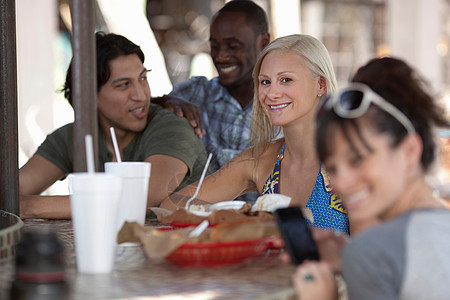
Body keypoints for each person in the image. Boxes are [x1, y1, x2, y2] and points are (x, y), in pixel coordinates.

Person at [293, 57, 450, 300]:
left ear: (410, 151)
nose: (339, 183)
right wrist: (350, 260)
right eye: (332, 168)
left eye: (357, 160)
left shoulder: (370, 252)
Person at [161, 34, 349, 234]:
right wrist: (243, 218)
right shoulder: (259, 159)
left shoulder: (348, 158)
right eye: (265, 82)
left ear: (320, 84)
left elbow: (371, 249)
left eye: (286, 80)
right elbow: (170, 205)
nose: (271, 93)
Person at [19, 32, 208, 219]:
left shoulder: (171, 127)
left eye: (143, 78)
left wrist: (29, 206)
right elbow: (16, 187)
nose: (141, 95)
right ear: (87, 97)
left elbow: (139, 199)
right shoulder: (73, 137)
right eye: (124, 85)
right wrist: (20, 202)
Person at [154, 0, 270, 189]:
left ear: (263, 43)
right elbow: (138, 110)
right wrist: (164, 101)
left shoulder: (280, 103)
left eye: (233, 46)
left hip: (264, 218)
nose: (221, 56)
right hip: (199, 216)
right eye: (214, 46)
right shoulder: (195, 93)